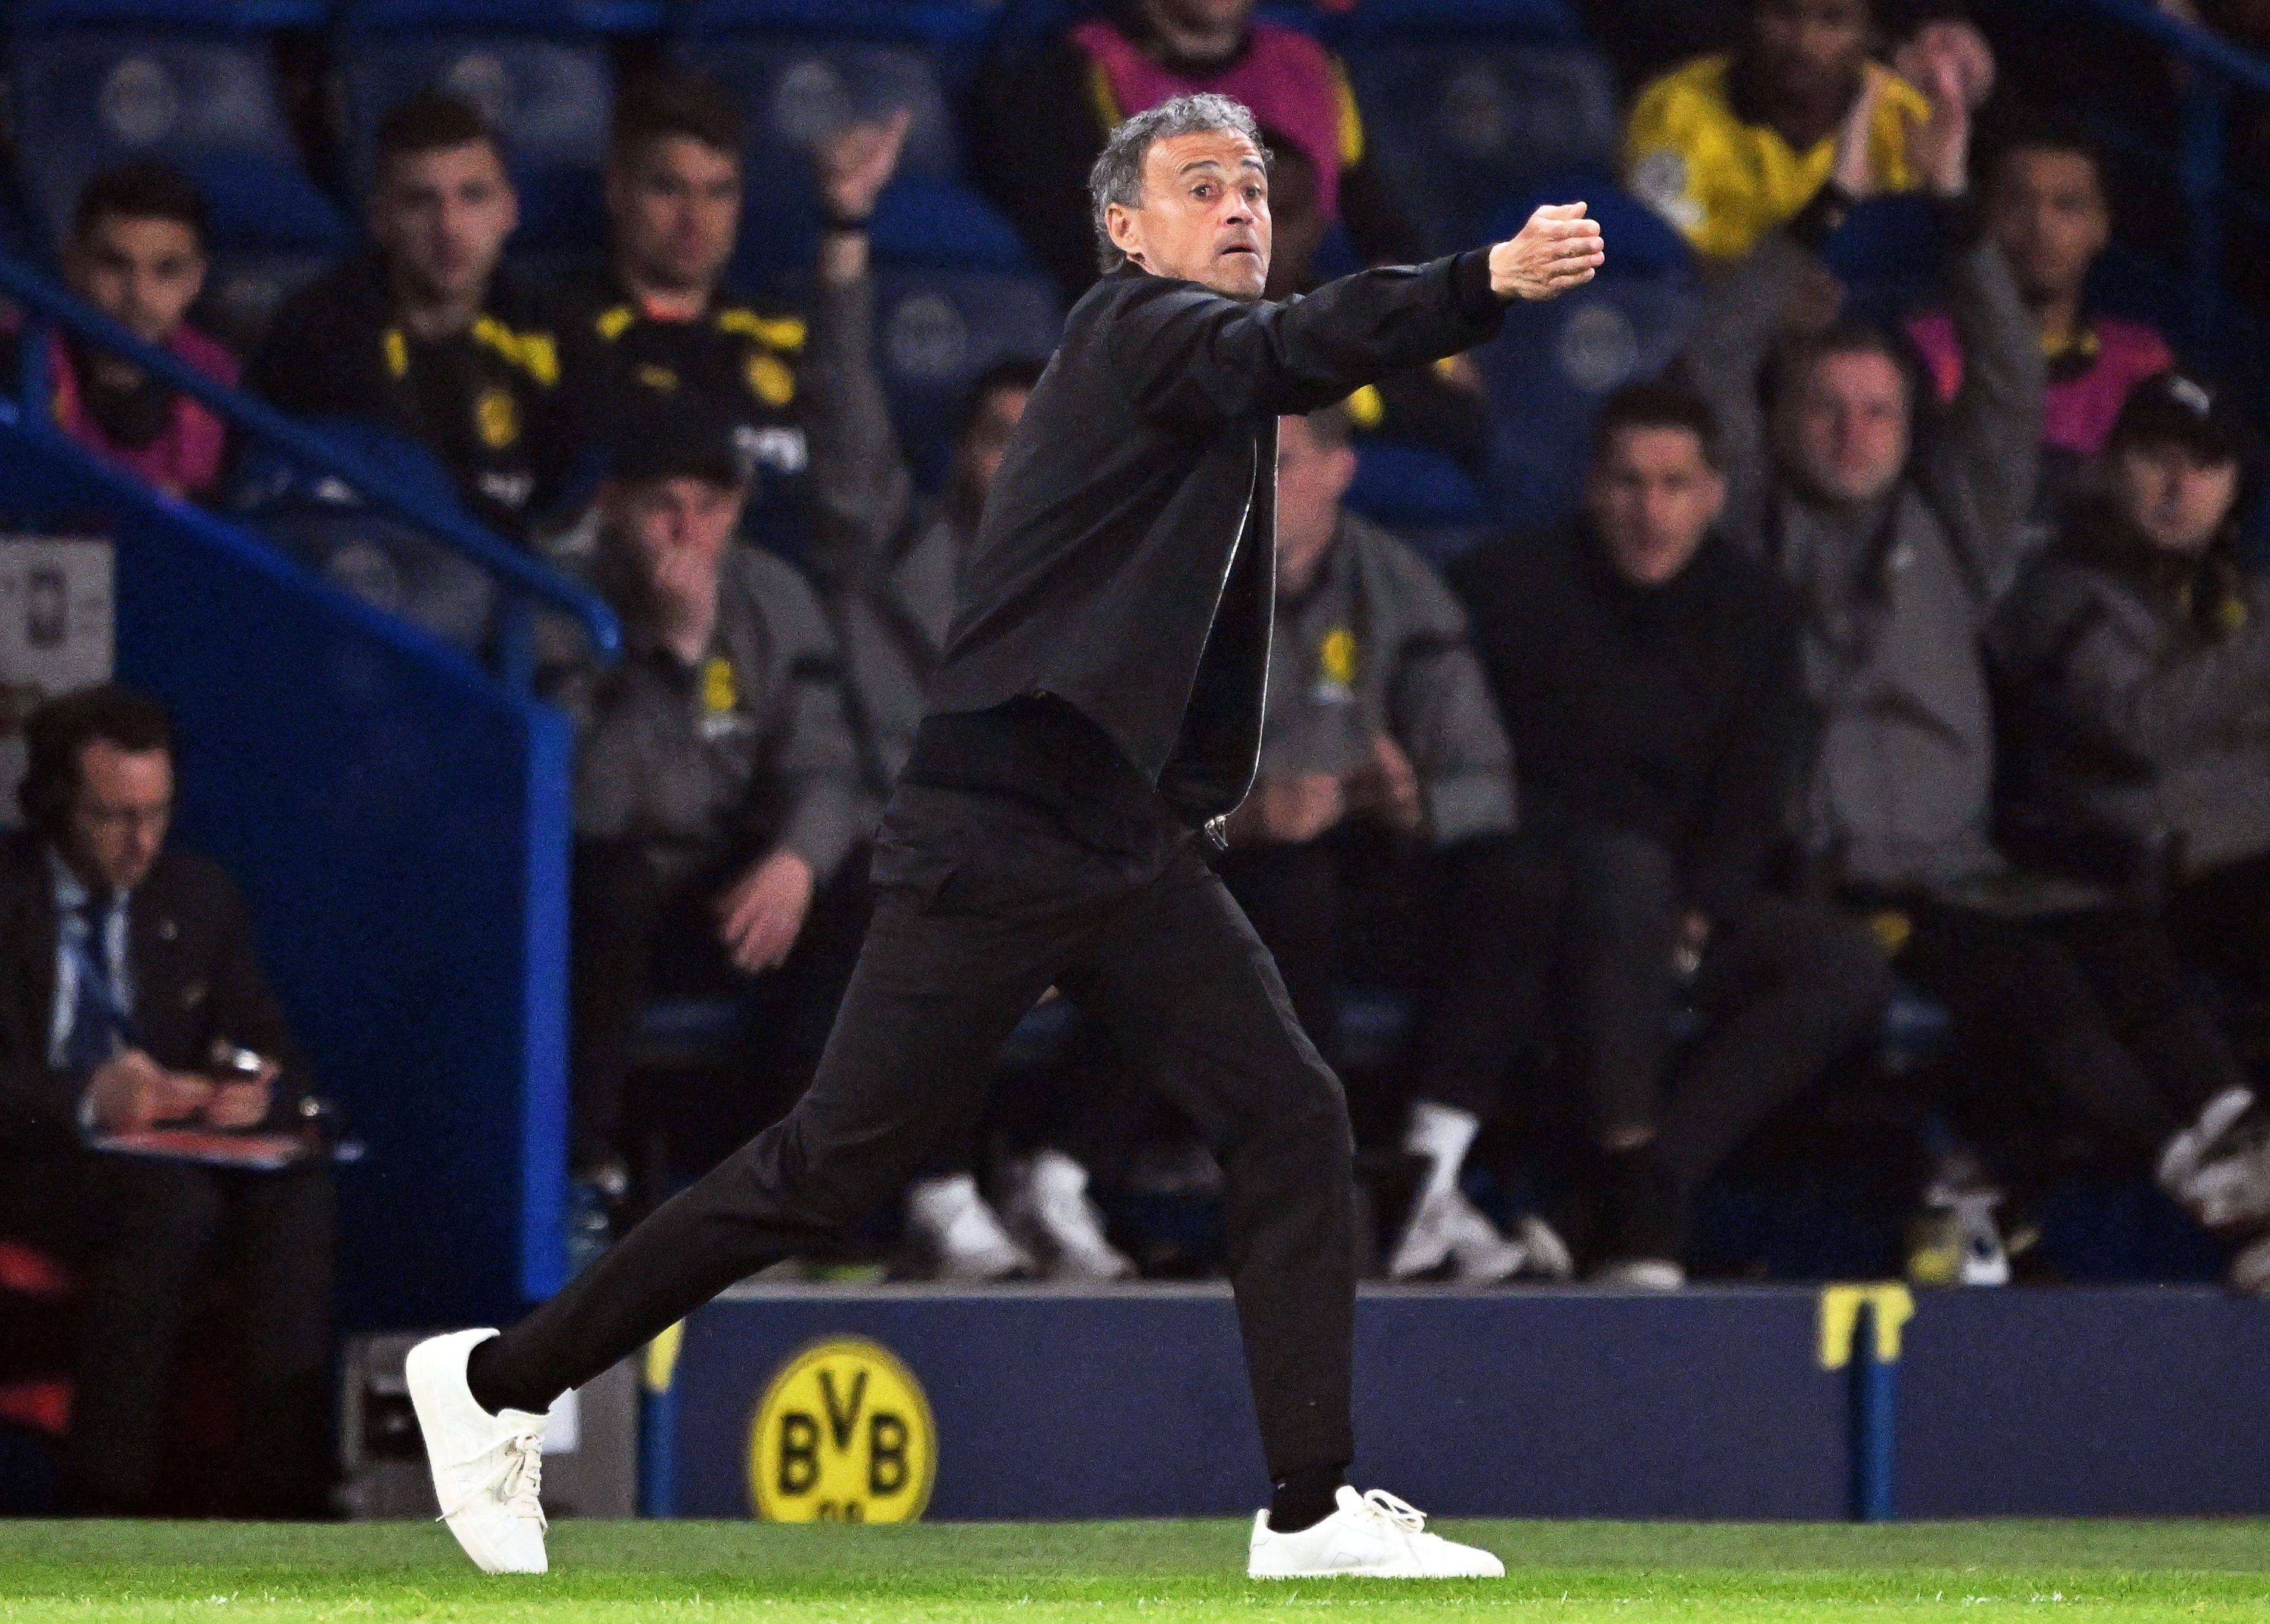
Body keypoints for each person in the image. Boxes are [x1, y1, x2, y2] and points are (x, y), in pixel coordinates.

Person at [407, 91, 1604, 1581]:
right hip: (1002, 821)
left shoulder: (1206, 367)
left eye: (1250, 185)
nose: (1239, 206)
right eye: (1198, 185)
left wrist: (1175, 813)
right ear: (1122, 228)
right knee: (826, 1171)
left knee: (1289, 1114)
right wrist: (1475, 281)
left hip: (1116, 834)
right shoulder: (1137, 332)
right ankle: (491, 1381)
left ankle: (1306, 1510)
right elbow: (1296, 345)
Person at [1681, 139, 2263, 1273]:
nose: (1854, 435)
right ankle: (2208, 1180)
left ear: (1912, 425)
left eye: (1880, 412)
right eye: (1829, 410)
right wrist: (1827, 207)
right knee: (2036, 984)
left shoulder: (1953, 524)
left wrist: (1959, 210)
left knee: (2116, 931)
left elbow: (2007, 375)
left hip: (1971, 863)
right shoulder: (1749, 532)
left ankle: (2234, 1134)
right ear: (1788, 417)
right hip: (1854, 881)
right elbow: (1710, 366)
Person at [1453, 382, 1892, 1286]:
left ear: (1714, 493)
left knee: (1842, 967)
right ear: (1589, 486)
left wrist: (1704, 907)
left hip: (1686, 905)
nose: (1650, 511)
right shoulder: (1506, 588)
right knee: (1623, 875)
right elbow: (1480, 772)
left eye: (1674, 484)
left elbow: (1754, 782)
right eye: (1627, 483)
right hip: (1543, 894)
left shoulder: (1755, 609)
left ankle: (1629, 1192)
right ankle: (1637, 1206)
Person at [798, 118, 1129, 1281]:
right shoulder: (886, 545)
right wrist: (845, 235)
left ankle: (1057, 1174)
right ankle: (938, 1191)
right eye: (999, 440)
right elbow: (840, 407)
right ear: (964, 462)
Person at [1210, 405, 1557, 1285]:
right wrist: (1248, 814)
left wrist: (1416, 801)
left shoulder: (1397, 583)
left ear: (1340, 469)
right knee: (1288, 886)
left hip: (1370, 864)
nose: (1256, 486)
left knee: (1517, 880)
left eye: (1282, 463)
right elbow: (1119, 797)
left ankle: (1428, 1170)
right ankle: (1337, 1179)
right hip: (1230, 876)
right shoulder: (1176, 587)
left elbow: (1485, 774)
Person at [0, 686, 333, 1516]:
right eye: (112, 816)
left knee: (296, 1195)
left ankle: (277, 1501)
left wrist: (253, 1090)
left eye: (157, 813)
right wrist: (84, 1096)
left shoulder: (197, 895)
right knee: (170, 1207)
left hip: (161, 1154)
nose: (140, 842)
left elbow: (273, 1047)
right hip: (32, 1155)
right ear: (52, 805)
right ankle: (109, 1503)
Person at [1991, 371, 2270, 1290]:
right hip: (2137, 878)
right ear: (2112, 465)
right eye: (2157, 458)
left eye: (2206, 465)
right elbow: (2140, 725)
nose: (2178, 486)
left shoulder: (2237, 597)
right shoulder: (2063, 591)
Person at [556, 404, 867, 1201]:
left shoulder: (773, 593)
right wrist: (672, 654)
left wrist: (797, 859)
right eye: (665, 506)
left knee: (858, 884)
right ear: (613, 504)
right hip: (593, 894)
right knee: (612, 882)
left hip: (714, 885)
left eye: (711, 507)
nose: (689, 531)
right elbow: (588, 805)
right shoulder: (557, 596)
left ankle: (783, 1177)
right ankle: (584, 1170)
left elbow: (829, 765)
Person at [973, 0, 1490, 469]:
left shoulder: (1309, 68)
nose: (1254, 231)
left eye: (1279, 212)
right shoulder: (1080, 69)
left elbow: (1382, 228)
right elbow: (1084, 247)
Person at [245, 91, 567, 540]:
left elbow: (586, 481)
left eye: (473, 196)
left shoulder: (555, 326)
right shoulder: (320, 330)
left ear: (508, 212)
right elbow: (403, 488)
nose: (449, 227)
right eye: (420, 202)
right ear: (380, 219)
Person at [555, 71, 817, 548]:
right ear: (618, 190)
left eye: (719, 192)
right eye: (668, 189)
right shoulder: (556, 332)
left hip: (780, 600)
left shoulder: (787, 333)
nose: (695, 218)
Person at [1908, 115, 2175, 520]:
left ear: (2101, 226)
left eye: (2066, 206)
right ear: (1984, 215)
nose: (2039, 228)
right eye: (2017, 202)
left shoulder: (2142, 362)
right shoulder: (1925, 347)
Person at [1625, 2, 1989, 261]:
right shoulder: (1674, 107)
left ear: (1870, 36)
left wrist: (1949, 195)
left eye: (1833, 20)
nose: (1803, 41)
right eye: (1784, 13)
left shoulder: (1907, 119)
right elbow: (1676, 264)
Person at [26, 163, 237, 502]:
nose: (138, 296)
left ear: (196, 280)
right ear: (73, 265)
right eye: (114, 265)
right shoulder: (18, 359)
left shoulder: (222, 381)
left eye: (166, 270)